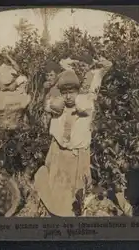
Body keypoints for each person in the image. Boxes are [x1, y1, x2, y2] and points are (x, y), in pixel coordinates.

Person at [34, 56, 112, 217]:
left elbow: (93, 90)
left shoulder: (85, 103)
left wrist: (99, 72)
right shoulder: (58, 105)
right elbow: (48, 105)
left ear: (77, 91)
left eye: (71, 92)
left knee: (76, 191)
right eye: (65, 93)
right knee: (57, 186)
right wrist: (53, 102)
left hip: (77, 155)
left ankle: (74, 211)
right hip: (59, 152)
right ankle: (55, 209)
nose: (68, 96)